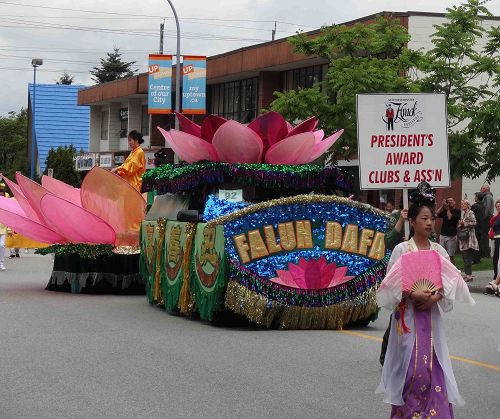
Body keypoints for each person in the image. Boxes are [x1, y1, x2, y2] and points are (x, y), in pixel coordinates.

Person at [376, 189, 475, 418]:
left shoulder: (438, 251)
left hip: (431, 319)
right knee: (411, 371)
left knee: (433, 369)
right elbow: (389, 285)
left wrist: (435, 296)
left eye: (432, 218)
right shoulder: (402, 250)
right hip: (409, 319)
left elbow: (451, 282)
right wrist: (411, 292)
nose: (430, 223)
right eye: (424, 218)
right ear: (412, 221)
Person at [457, 199, 478, 282]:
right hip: (464, 238)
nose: (462, 205)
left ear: (468, 205)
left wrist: (464, 224)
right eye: (461, 204)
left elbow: (475, 222)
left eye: (464, 204)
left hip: (470, 238)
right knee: (465, 256)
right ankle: (467, 274)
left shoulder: (470, 212)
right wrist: (460, 224)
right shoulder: (464, 214)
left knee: (467, 257)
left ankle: (468, 275)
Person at [436, 197, 461, 265]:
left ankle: (454, 271)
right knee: (441, 254)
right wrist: (442, 206)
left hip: (451, 236)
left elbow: (450, 217)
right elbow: (436, 214)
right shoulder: (445, 210)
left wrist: (447, 208)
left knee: (450, 255)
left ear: (454, 202)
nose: (450, 202)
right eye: (448, 201)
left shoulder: (457, 211)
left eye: (451, 200)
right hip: (443, 235)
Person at [481, 183, 494, 257]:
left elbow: (487, 207)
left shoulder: (488, 196)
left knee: (484, 235)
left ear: (486, 189)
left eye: (482, 188)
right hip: (487, 218)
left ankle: (485, 253)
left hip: (486, 218)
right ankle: (485, 253)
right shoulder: (487, 196)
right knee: (484, 235)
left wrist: (483, 217)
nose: (481, 190)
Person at [471, 192, 484, 264]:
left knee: (474, 244)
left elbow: (470, 212)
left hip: (475, 227)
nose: (474, 198)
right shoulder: (483, 205)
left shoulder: (475, 206)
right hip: (481, 227)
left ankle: (475, 259)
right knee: (479, 243)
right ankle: (478, 258)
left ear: (478, 198)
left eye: (475, 196)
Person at [489, 199, 500, 281]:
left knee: (497, 258)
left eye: (499, 206)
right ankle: (496, 275)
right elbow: (491, 223)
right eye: (496, 206)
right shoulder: (496, 217)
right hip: (496, 239)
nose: (497, 207)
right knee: (495, 258)